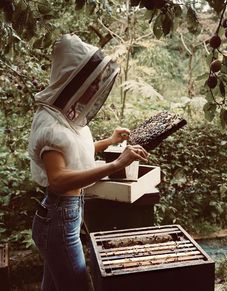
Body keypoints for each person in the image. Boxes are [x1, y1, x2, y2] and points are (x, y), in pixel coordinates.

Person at [28, 33, 148, 291]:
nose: (94, 88)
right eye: (90, 82)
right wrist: (116, 165)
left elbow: (73, 156)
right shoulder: (50, 124)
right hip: (59, 217)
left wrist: (108, 141)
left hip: (63, 215)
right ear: (72, 81)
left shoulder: (65, 118)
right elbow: (58, 180)